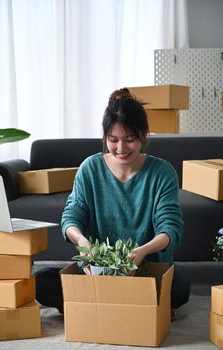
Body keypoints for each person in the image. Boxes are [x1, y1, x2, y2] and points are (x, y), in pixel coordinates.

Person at [61, 88, 190, 320]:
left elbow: (170, 228)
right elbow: (71, 217)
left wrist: (142, 251)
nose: (121, 149)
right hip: (98, 273)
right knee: (45, 282)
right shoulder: (90, 169)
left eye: (130, 140)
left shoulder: (162, 173)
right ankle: (142, 305)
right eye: (113, 140)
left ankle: (104, 303)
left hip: (145, 270)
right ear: (104, 137)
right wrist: (82, 242)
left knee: (181, 284)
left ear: (143, 135)